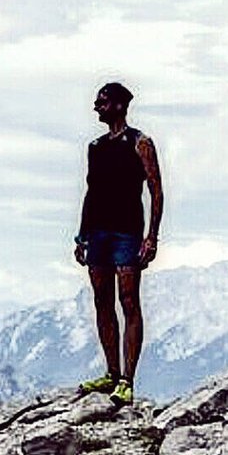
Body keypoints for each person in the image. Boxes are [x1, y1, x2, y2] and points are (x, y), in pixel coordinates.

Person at [74, 82, 163, 406]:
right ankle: (111, 373)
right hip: (97, 232)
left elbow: (156, 189)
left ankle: (127, 380)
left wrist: (151, 237)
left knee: (128, 301)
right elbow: (90, 192)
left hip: (127, 233)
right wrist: (81, 236)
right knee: (102, 301)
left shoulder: (140, 143)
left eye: (102, 102)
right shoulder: (95, 147)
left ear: (120, 105)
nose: (96, 107)